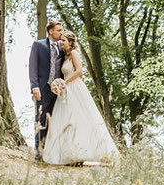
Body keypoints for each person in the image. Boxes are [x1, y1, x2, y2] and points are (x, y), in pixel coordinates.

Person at [42, 31, 120, 166]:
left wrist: (65, 82)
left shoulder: (74, 53)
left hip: (74, 88)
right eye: (61, 40)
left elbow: (79, 72)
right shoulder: (65, 56)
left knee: (78, 118)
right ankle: (71, 155)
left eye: (64, 41)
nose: (61, 43)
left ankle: (83, 154)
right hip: (66, 90)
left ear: (71, 42)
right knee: (66, 120)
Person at [28, 20, 64, 160]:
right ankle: (39, 153)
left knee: (55, 120)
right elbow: (33, 67)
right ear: (50, 31)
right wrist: (34, 86)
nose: (61, 33)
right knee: (41, 119)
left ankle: (52, 153)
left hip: (58, 91)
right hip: (42, 89)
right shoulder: (38, 45)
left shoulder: (63, 47)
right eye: (59, 30)